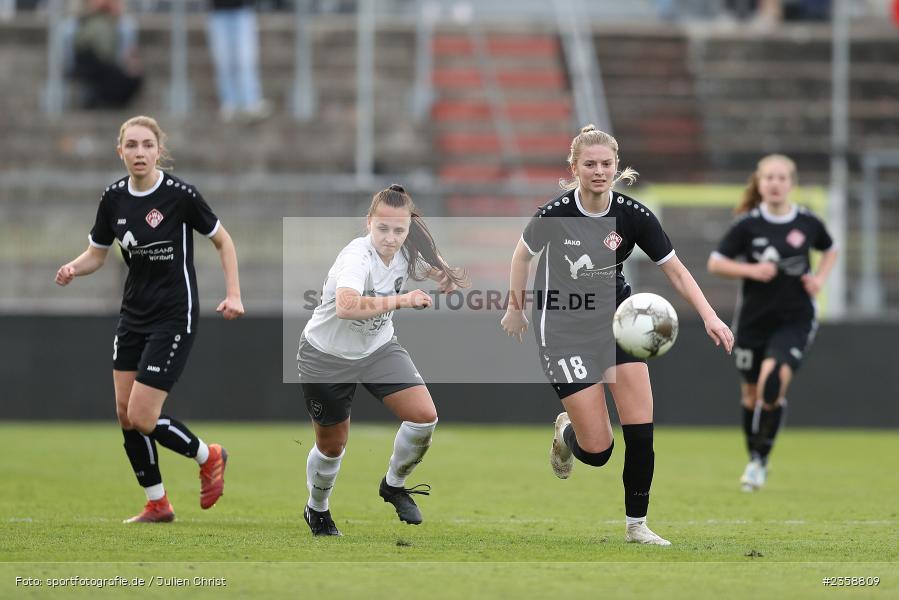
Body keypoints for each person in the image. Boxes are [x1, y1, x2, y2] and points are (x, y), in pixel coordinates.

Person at [500, 125, 734, 546]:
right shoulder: (554, 215)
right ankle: (567, 434)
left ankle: (637, 526)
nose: (598, 171)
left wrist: (711, 316)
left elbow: (676, 271)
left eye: (606, 163)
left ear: (616, 166)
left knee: (641, 429)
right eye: (589, 164)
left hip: (617, 328)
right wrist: (515, 308)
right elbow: (521, 255)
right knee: (598, 451)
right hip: (563, 332)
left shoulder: (634, 216)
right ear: (574, 168)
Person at [55, 115, 245, 523]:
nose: (139, 153)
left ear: (159, 150)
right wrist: (72, 267)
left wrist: (233, 294)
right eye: (131, 146)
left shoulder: (180, 196)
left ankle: (208, 455)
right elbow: (98, 254)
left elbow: (222, 241)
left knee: (143, 416)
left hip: (175, 315)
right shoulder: (113, 198)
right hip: (134, 315)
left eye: (147, 145)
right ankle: (157, 502)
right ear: (120, 151)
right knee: (125, 414)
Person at [297, 184, 468, 536]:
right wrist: (402, 301)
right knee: (332, 447)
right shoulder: (356, 257)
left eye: (399, 230)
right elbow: (346, 307)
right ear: (368, 223)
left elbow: (426, 264)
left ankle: (393, 484)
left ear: (407, 228)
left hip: (377, 349)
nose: (390, 238)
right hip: (326, 357)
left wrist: (444, 274)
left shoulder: (405, 250)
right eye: (383, 229)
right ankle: (317, 508)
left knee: (424, 418)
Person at [708, 154, 837, 492]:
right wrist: (751, 270)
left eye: (782, 178)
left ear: (792, 184)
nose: (776, 184)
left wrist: (820, 278)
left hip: (795, 318)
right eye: (769, 178)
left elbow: (831, 248)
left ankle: (758, 463)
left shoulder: (808, 222)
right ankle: (755, 459)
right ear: (759, 183)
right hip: (753, 321)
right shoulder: (747, 225)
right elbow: (716, 263)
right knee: (750, 395)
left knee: (771, 383)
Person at [69, 0, 143, 109]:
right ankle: (70, 69)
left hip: (109, 27)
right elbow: (79, 10)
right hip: (90, 42)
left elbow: (118, 9)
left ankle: (124, 66)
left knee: (128, 27)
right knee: (67, 30)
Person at [206, 0, 271, 122]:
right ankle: (229, 102)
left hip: (242, 9)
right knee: (223, 61)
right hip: (218, 11)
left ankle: (251, 101)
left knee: (246, 59)